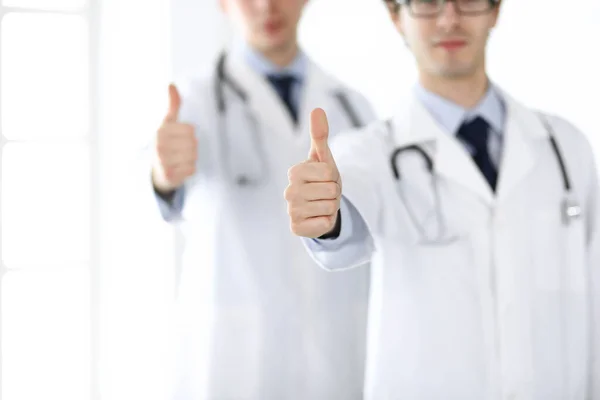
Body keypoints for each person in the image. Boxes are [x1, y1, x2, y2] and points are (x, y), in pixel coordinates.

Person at [284, 0, 600, 398]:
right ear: (396, 16)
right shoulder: (369, 155)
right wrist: (326, 217)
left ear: (495, 10)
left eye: (466, 0)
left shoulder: (566, 150)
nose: (449, 18)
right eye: (428, 2)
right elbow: (345, 216)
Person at [150, 0, 376, 398]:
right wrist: (163, 176)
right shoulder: (193, 102)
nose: (267, 5)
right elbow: (158, 190)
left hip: (336, 359)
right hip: (233, 359)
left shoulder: (352, 107)